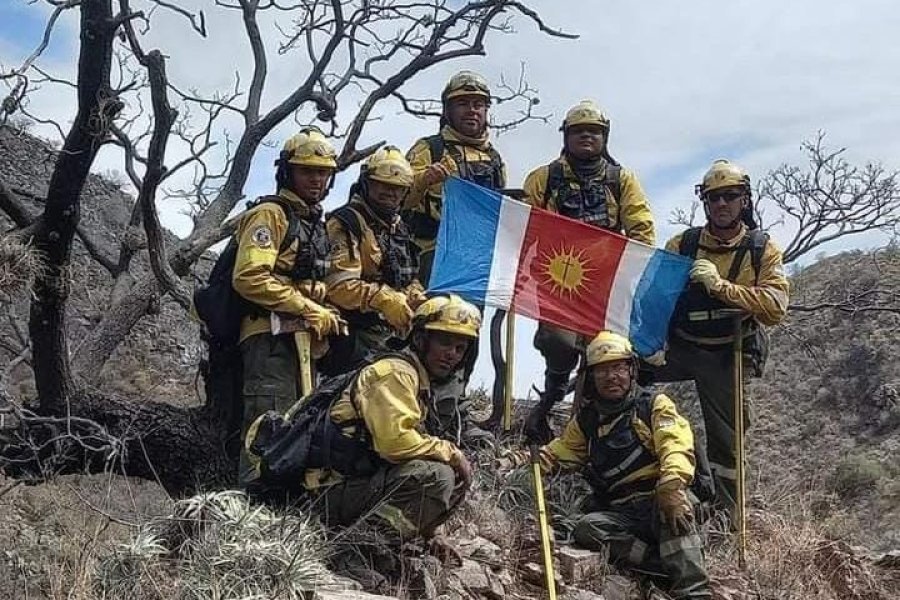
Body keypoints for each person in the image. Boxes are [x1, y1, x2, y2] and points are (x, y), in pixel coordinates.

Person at [504, 331, 711, 600]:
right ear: (591, 377)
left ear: (631, 370)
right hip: (624, 512)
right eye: (602, 371)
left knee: (669, 512)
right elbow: (557, 454)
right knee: (588, 528)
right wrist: (517, 461)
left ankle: (694, 592)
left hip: (663, 497)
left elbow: (676, 444)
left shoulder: (653, 406)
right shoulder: (587, 422)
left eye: (617, 367)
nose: (611, 376)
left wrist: (672, 485)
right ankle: (658, 566)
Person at [649, 159, 789, 516]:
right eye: (714, 198)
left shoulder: (762, 249)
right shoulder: (683, 243)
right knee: (609, 367)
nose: (722, 204)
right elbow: (654, 293)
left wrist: (720, 287)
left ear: (744, 200)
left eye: (730, 196)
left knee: (728, 445)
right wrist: (650, 343)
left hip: (727, 353)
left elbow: (774, 307)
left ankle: (729, 520)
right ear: (705, 202)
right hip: (680, 346)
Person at [522, 100, 656, 443]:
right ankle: (550, 397)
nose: (586, 137)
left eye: (593, 132)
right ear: (566, 137)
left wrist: (624, 272)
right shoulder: (543, 178)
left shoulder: (621, 179)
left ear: (604, 137)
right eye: (578, 131)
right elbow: (522, 226)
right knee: (557, 342)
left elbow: (641, 231)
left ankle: (585, 434)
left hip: (605, 285)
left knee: (603, 354)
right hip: (558, 284)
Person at [302, 295, 481, 550]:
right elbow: (394, 445)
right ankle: (356, 550)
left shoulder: (419, 383)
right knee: (437, 475)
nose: (452, 354)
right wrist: (453, 454)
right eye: (445, 342)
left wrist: (434, 533)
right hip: (323, 492)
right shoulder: (396, 373)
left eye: (460, 348)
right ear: (420, 339)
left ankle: (379, 543)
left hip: (353, 484)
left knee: (443, 470)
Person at [232, 127, 346, 485]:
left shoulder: (315, 222)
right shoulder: (270, 215)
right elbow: (249, 276)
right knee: (267, 425)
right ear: (287, 172)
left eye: (323, 172)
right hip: (269, 339)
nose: (316, 178)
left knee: (299, 428)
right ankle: (250, 505)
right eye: (307, 170)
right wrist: (307, 308)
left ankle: (283, 512)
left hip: (305, 343)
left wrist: (326, 312)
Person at [404, 70, 506, 285]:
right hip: (432, 255)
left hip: (477, 259)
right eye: (462, 104)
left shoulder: (494, 159)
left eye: (478, 105)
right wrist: (424, 179)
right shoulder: (429, 148)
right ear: (447, 110)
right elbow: (398, 200)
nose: (471, 111)